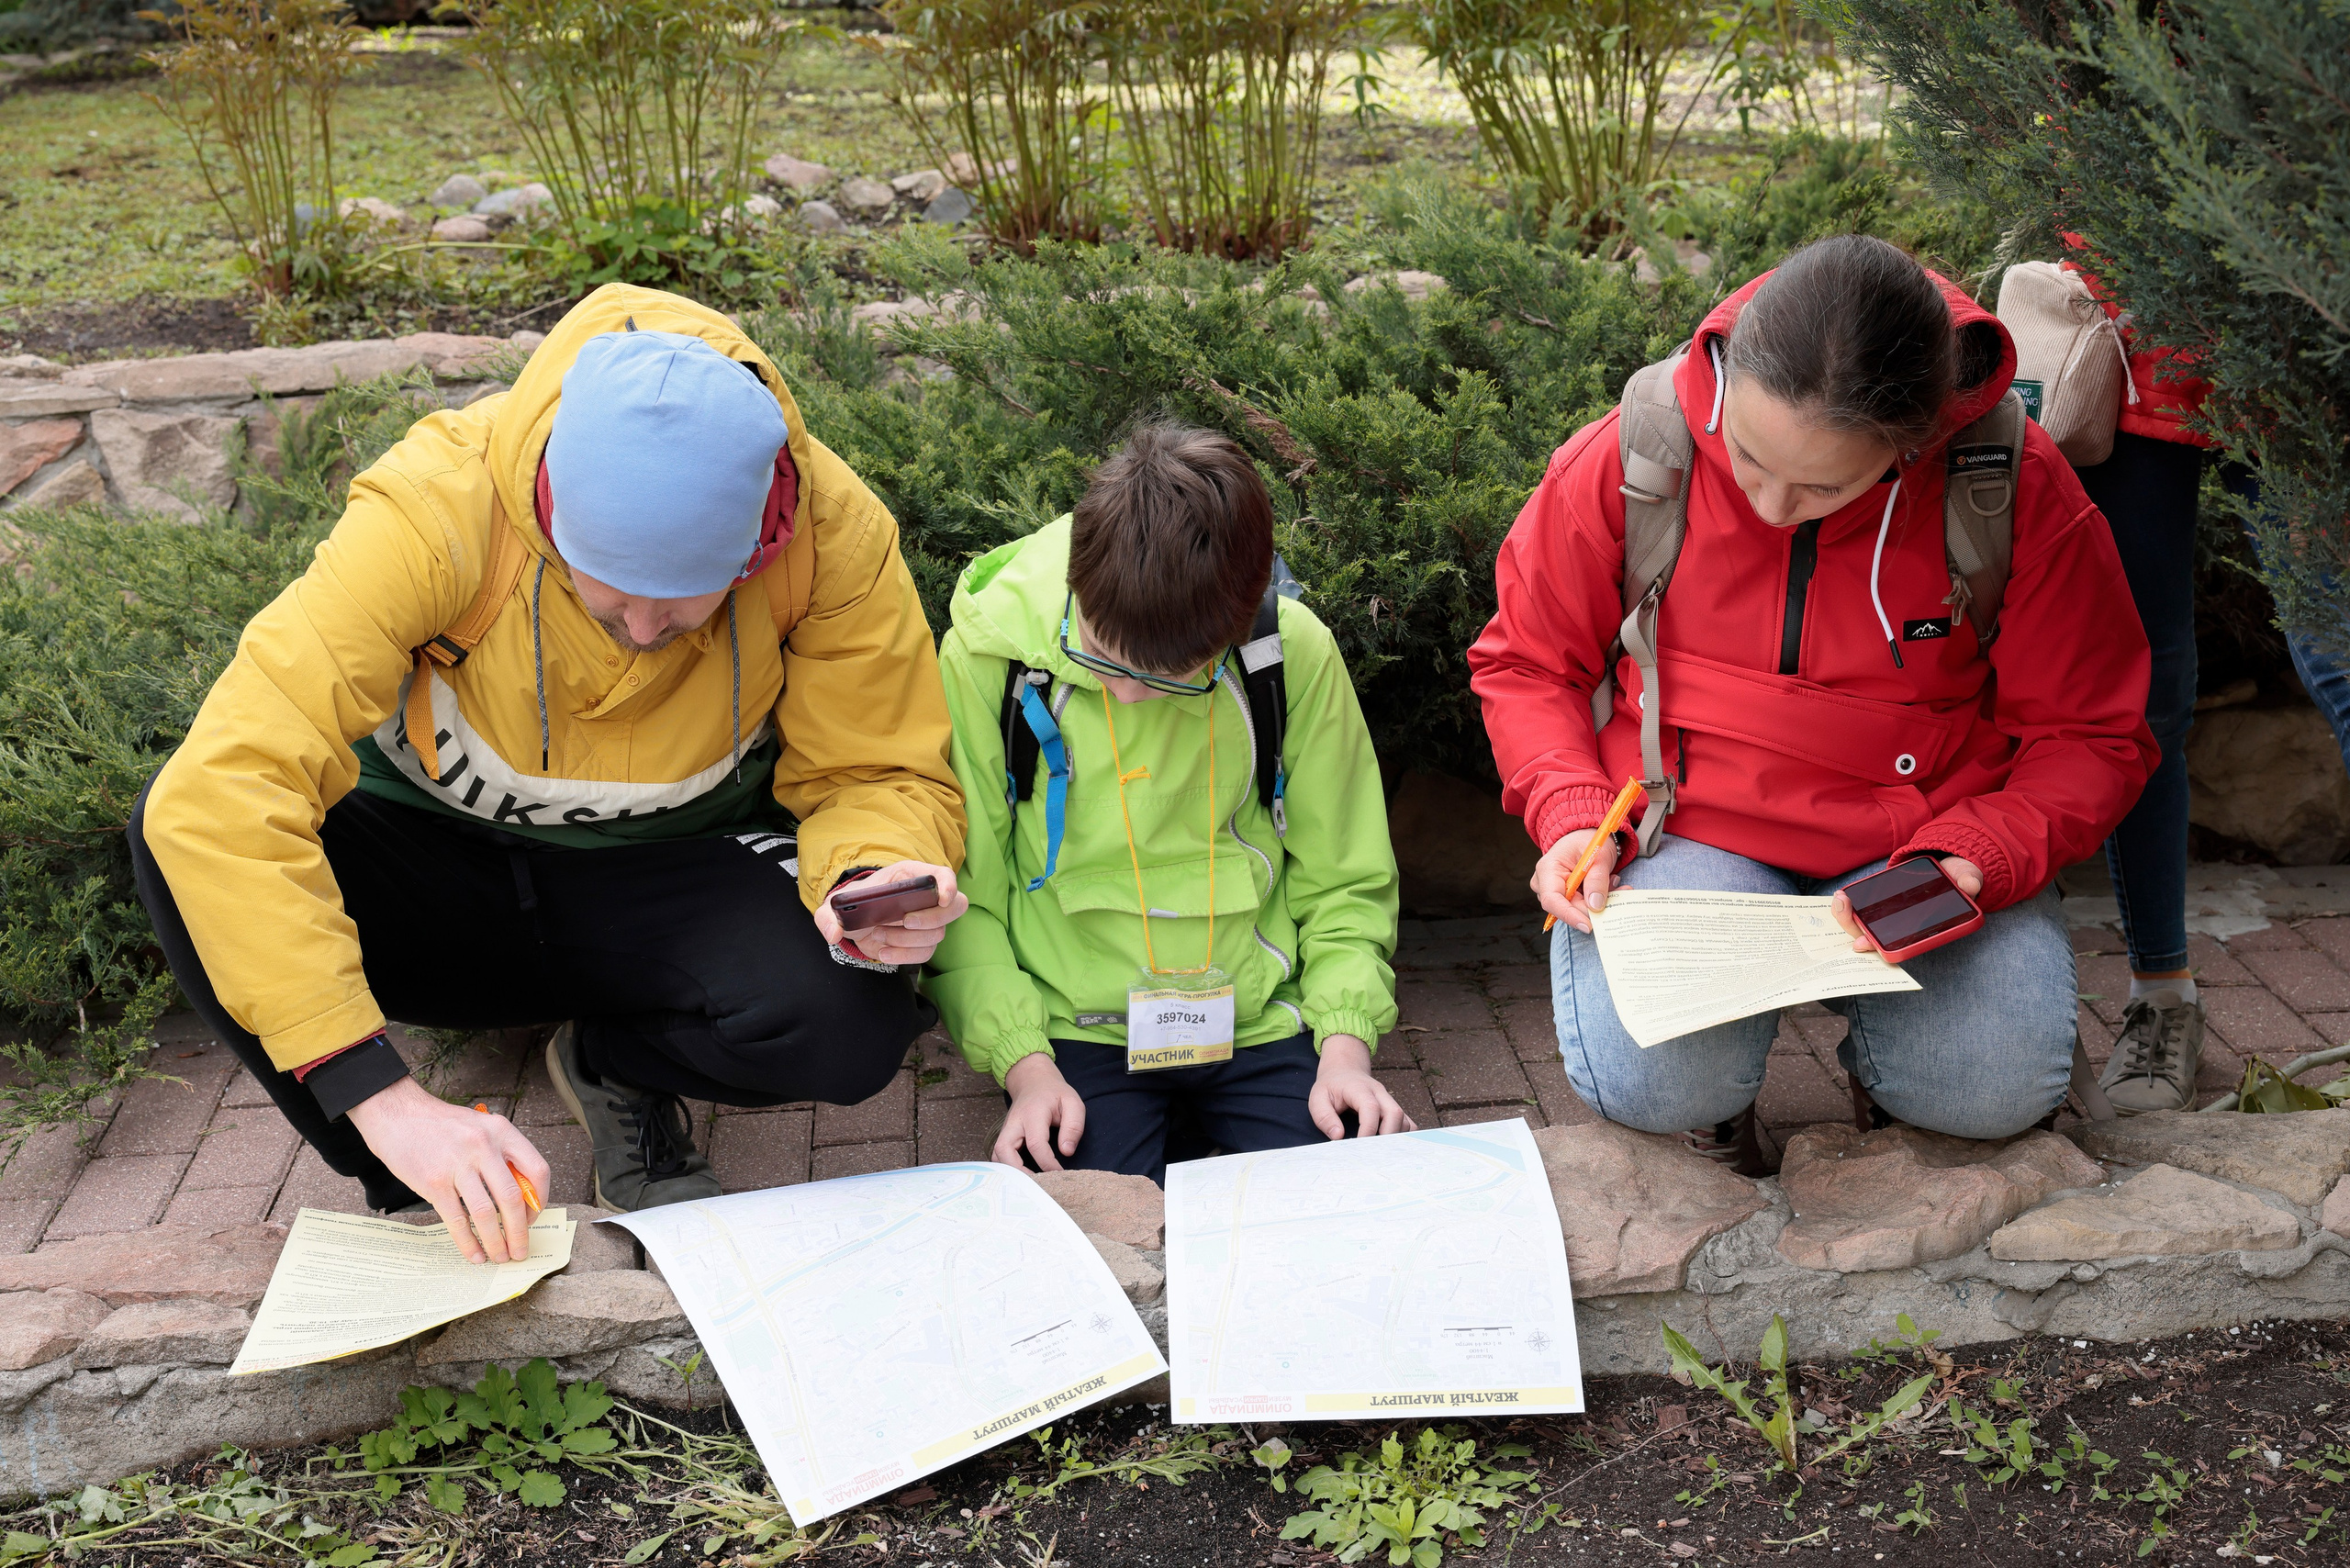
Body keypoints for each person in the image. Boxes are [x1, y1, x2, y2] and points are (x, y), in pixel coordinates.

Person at [129, 283, 968, 1256]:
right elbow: (226, 789)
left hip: (666, 883)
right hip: (434, 876)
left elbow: (875, 770)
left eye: (685, 602)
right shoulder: (438, 506)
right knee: (180, 834)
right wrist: (380, 1096)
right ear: (551, 509)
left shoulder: (832, 533)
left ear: (760, 538)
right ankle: (413, 1183)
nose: (645, 630)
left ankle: (615, 1064)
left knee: (850, 1024)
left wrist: (873, 871)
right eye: (610, 599)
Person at [1470, 235, 2157, 1172]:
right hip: (1682, 827)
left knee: (1986, 1088)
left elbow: (2090, 732)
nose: (1769, 504)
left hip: (1924, 847)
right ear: (1726, 379)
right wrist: (1571, 811)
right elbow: (1526, 664)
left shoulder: (2009, 482)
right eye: (1748, 457)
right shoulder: (1636, 447)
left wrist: (1983, 851)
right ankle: (1714, 1110)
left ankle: (1893, 1080)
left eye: (1823, 484)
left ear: (1914, 440)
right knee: (1655, 1080)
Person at [923, 423, 1406, 1184]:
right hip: (1072, 1029)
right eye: (1097, 655)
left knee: (1348, 1186)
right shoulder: (992, 659)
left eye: (1165, 679)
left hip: (1260, 1018)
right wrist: (1023, 1066)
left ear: (1234, 627)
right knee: (1084, 1217)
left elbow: (1345, 877)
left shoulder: (1289, 654)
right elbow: (967, 896)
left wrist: (1346, 1048)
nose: (1123, 693)